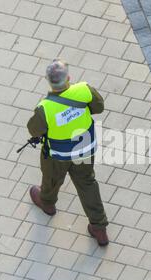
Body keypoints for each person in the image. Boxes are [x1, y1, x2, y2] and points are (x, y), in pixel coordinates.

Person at [27, 59, 109, 246]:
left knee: (52, 179)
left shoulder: (45, 108)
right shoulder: (84, 90)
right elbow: (98, 107)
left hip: (58, 154)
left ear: (48, 81)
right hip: (85, 149)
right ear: (69, 78)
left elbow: (34, 130)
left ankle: (47, 203)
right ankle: (99, 227)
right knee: (87, 183)